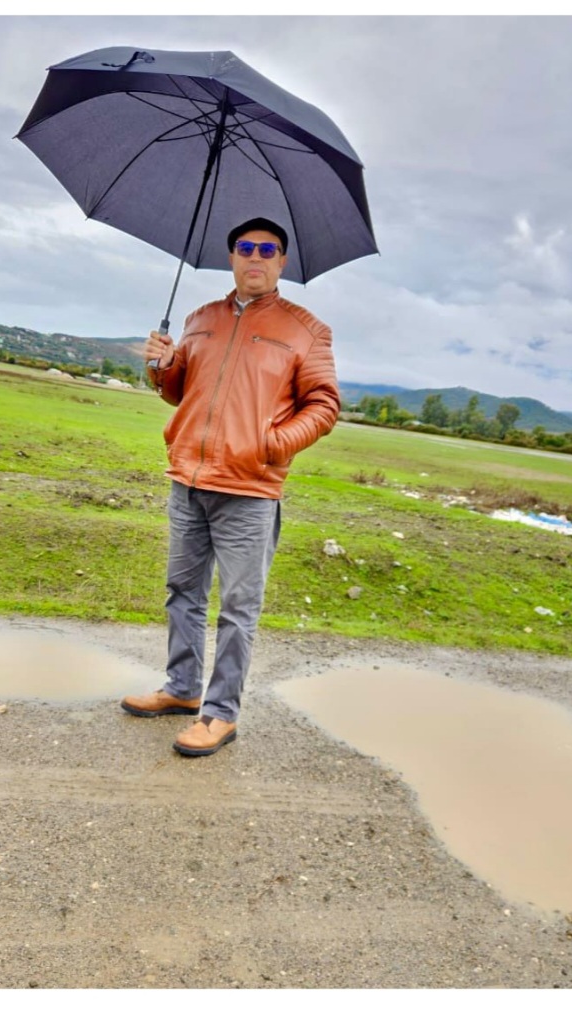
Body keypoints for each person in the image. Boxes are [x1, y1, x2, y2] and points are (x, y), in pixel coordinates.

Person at [121, 217, 339, 757]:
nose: (256, 257)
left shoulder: (306, 330)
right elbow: (178, 393)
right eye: (246, 247)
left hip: (251, 490)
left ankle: (221, 714)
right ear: (232, 256)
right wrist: (161, 366)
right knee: (183, 594)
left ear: (282, 262)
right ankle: (181, 689)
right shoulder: (200, 319)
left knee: (238, 610)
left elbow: (325, 405)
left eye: (268, 249)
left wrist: (270, 445)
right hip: (189, 480)